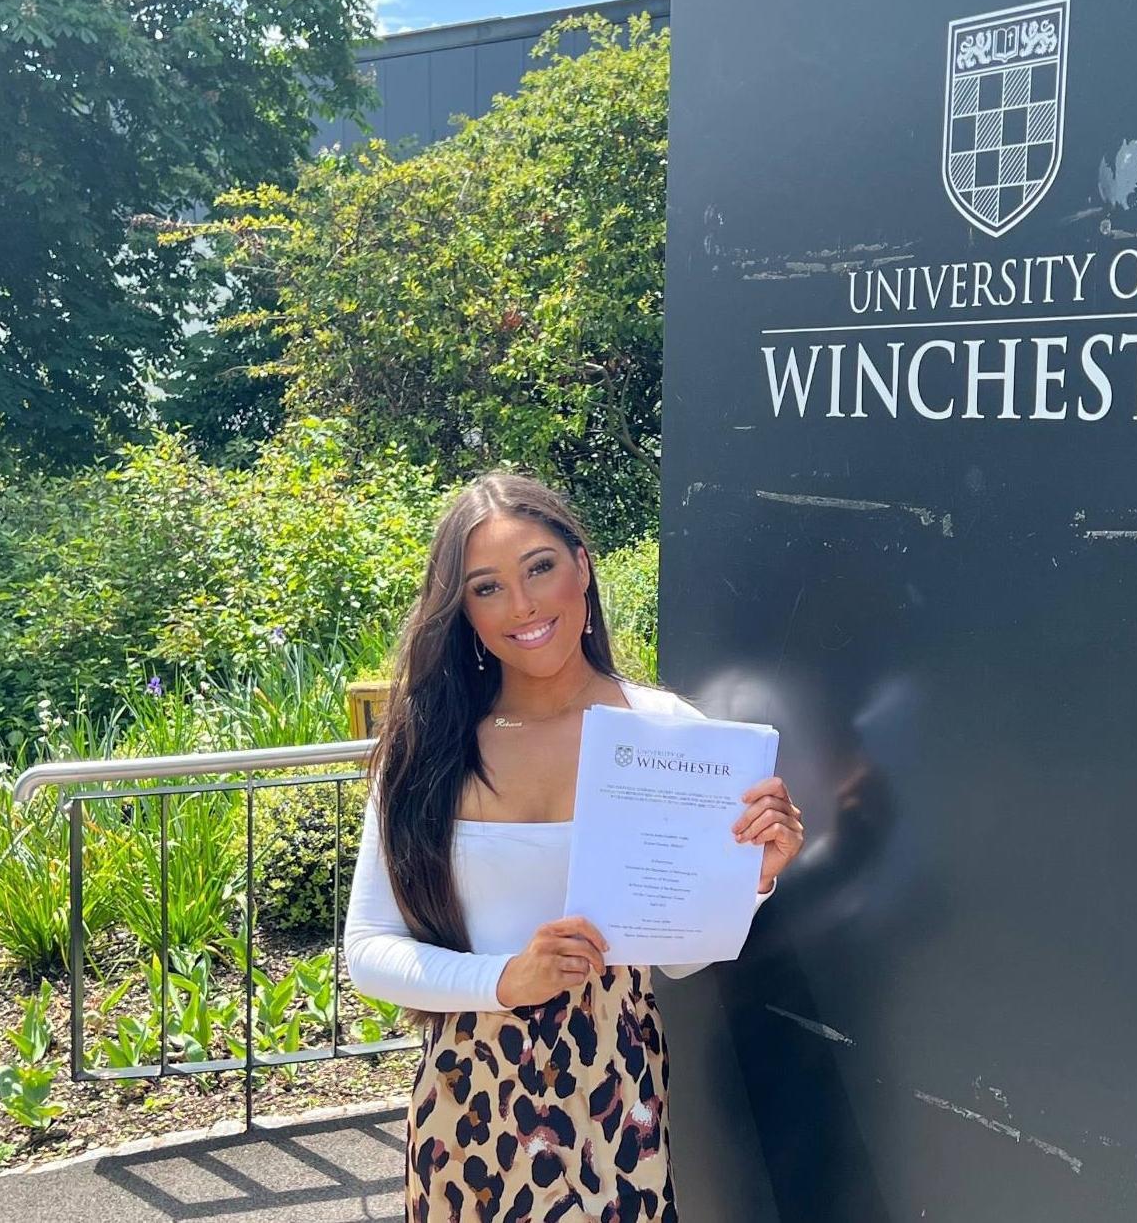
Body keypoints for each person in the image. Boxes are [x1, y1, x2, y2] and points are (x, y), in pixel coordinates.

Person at [343, 472, 806, 1222]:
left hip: (615, 1092)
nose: (522, 606)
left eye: (539, 568)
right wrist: (507, 980)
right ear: (463, 611)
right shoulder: (427, 749)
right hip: (469, 1096)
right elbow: (368, 950)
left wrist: (752, 878)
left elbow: (681, 958)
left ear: (582, 567)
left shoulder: (668, 732)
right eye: (487, 588)